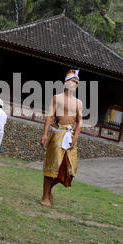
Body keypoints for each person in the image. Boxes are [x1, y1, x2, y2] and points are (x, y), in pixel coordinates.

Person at [40, 69, 83, 207]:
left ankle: (49, 189)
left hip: (70, 136)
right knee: (52, 166)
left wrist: (75, 137)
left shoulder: (78, 103)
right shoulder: (57, 98)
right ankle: (45, 196)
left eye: (77, 82)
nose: (75, 84)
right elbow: (50, 116)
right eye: (73, 81)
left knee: (71, 170)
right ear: (66, 83)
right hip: (57, 133)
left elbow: (80, 122)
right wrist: (45, 134)